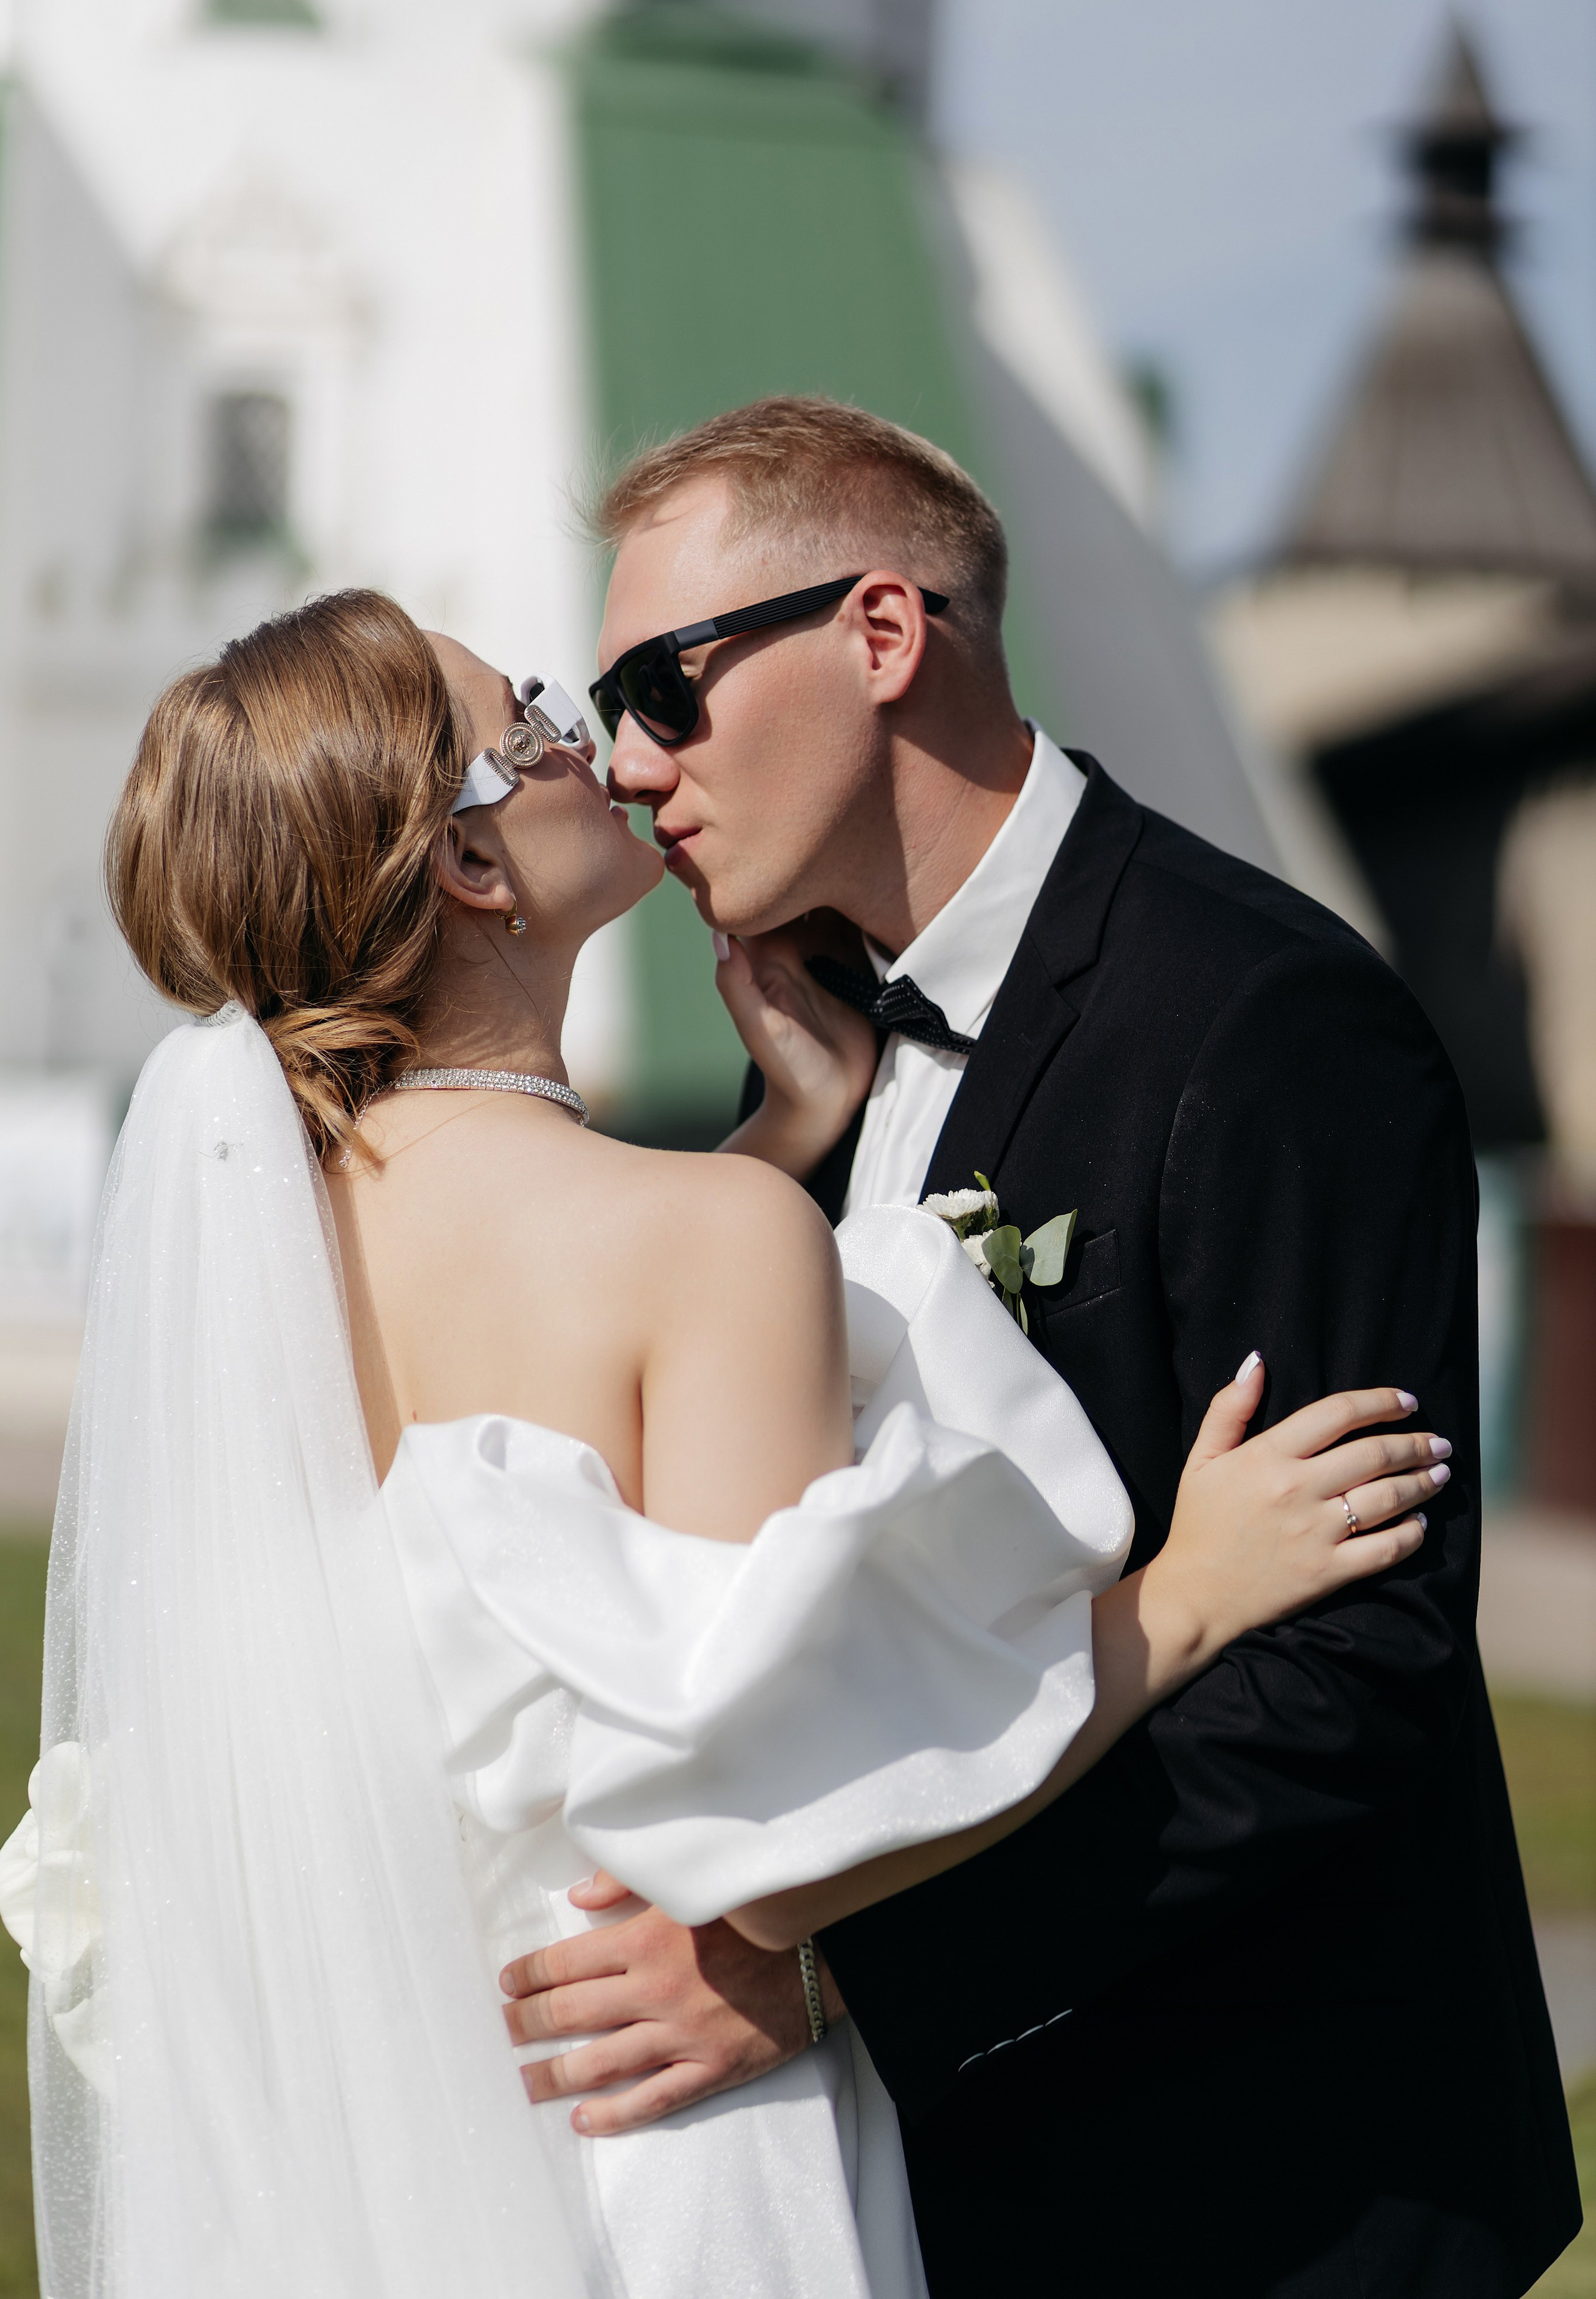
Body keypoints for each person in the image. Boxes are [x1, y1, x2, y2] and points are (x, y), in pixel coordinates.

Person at [1, 590, 1441, 2299]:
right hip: (668, 2148)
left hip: (404, 2142)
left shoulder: (256, 1275)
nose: (595, 744)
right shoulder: (699, 1245)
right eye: (530, 719)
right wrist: (1186, 1600)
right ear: (469, 868)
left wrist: (780, 1137)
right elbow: (801, 1805)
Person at [504, 396, 1581, 2298]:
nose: (632, 767)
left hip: (1260, 2189)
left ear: (885, 635)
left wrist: (831, 1972)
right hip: (956, 2190)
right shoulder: (814, 1062)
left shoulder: (1269, 1024)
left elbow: (1344, 1681)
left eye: (663, 689)